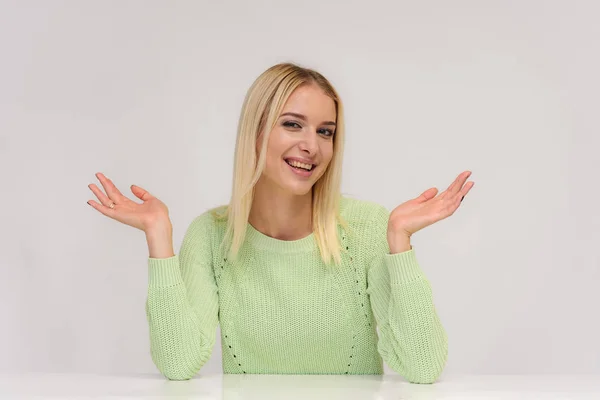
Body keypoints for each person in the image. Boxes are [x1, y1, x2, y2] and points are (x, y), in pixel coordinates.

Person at [87, 62, 474, 383]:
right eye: (293, 124)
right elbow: (179, 362)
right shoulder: (210, 236)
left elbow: (422, 368)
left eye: (326, 131)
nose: (312, 145)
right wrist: (159, 239)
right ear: (255, 132)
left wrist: (399, 241)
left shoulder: (368, 227)